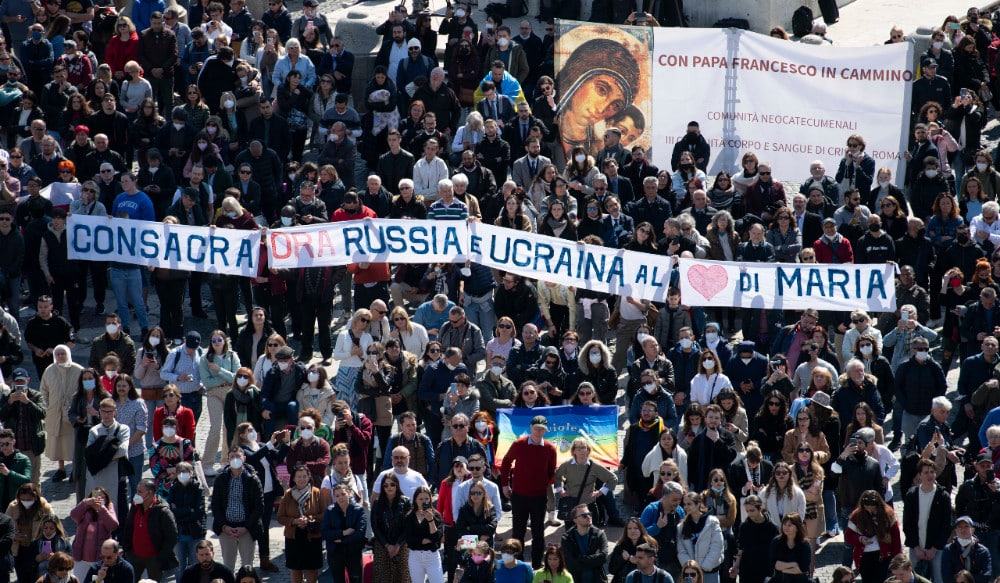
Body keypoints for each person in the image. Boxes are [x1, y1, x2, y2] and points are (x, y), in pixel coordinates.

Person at [500, 415, 556, 568]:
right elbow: (506, 463)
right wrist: (505, 484)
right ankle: (517, 565)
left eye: (541, 429)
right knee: (518, 532)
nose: (538, 432)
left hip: (539, 497)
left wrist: (543, 482)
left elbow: (552, 471)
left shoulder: (550, 448)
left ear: (545, 431)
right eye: (536, 428)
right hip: (519, 496)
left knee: (538, 533)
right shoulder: (519, 444)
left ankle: (537, 565)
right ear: (531, 428)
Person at [211, 448, 262, 570]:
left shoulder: (253, 479)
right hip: (226, 529)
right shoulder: (220, 479)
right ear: (227, 460)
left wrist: (246, 527)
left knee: (247, 567)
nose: (235, 459)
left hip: (247, 529)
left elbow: (259, 507)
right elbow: (215, 506)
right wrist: (224, 526)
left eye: (238, 456)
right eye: (232, 456)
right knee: (228, 567)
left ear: (244, 458)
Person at [903, 459, 953, 583]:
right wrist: (916, 547)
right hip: (916, 549)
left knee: (939, 579)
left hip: (936, 549)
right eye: (926, 472)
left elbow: (946, 525)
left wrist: (934, 548)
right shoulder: (912, 495)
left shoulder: (943, 496)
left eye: (932, 472)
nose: (930, 475)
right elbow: (907, 523)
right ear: (920, 475)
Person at [120, 478, 178, 581]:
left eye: (140, 491)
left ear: (149, 493)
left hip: (153, 559)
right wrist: (127, 549)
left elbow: (172, 536)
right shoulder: (135, 506)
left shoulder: (163, 512)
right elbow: (128, 527)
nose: (136, 494)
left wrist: (160, 557)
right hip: (134, 555)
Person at [277, 464, 324, 583]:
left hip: (312, 535)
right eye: (299, 476)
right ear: (293, 478)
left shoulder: (317, 492)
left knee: (311, 568)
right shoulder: (288, 494)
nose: (302, 479)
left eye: (304, 476)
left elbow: (324, 514)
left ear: (309, 477)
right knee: (295, 568)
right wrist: (293, 521)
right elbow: (280, 517)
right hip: (293, 535)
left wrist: (308, 519)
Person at [844, 490, 902, 583]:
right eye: (867, 508)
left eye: (873, 508)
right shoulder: (856, 516)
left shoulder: (888, 515)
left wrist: (897, 559)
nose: (870, 510)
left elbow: (896, 539)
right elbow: (848, 536)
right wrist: (860, 539)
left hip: (883, 556)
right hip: (865, 557)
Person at [69, 488, 118, 581]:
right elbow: (73, 515)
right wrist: (85, 503)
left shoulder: (108, 509)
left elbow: (113, 525)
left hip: (99, 559)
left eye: (102, 497)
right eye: (96, 496)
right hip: (82, 558)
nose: (99, 499)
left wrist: (102, 509)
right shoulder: (85, 510)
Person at [640, 480, 685, 580]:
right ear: (664, 497)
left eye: (679, 500)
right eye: (674, 500)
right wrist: (657, 526)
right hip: (655, 560)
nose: (677, 503)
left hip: (675, 559)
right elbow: (640, 534)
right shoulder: (651, 509)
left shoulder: (680, 511)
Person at [371, 471, 410, 583]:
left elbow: (408, 526)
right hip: (382, 543)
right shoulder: (377, 503)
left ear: (397, 485)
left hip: (401, 544)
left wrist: (398, 545)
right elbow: (375, 526)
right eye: (386, 485)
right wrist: (387, 545)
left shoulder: (406, 501)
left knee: (402, 576)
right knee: (382, 577)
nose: (389, 487)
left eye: (392, 484)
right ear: (382, 487)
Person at [730, 496, 778, 583]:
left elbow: (776, 551)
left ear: (760, 508)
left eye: (752, 510)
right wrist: (736, 566)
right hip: (747, 570)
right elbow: (741, 549)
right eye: (747, 511)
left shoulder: (772, 528)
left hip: (765, 569)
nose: (749, 514)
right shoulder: (744, 527)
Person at [560, 503, 609, 583]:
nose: (588, 517)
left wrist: (581, 559)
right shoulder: (567, 538)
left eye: (589, 514)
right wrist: (594, 561)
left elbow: (603, 557)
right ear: (575, 520)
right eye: (584, 515)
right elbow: (571, 565)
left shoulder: (599, 534)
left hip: (597, 579)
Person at [941, 516, 992, 582]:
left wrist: (966, 580)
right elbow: (946, 577)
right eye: (960, 527)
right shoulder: (948, 550)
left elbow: (986, 575)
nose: (963, 530)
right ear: (956, 530)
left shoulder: (983, 551)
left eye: (966, 526)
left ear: (972, 530)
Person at [769, 513, 812, 583]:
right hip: (780, 579)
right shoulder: (776, 541)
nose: (786, 528)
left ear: (797, 528)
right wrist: (794, 564)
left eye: (790, 525)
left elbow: (802, 568)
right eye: (784, 524)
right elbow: (774, 564)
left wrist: (784, 570)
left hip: (800, 580)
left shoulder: (805, 544)